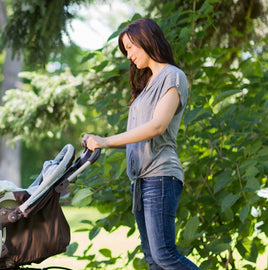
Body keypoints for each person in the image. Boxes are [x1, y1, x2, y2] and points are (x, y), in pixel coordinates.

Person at [82, 18, 200, 270]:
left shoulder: (173, 76)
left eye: (131, 47)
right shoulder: (146, 86)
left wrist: (106, 140)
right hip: (141, 181)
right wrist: (101, 143)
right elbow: (139, 136)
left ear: (147, 41)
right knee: (152, 259)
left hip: (160, 176)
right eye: (125, 50)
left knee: (164, 254)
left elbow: (157, 126)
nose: (128, 55)